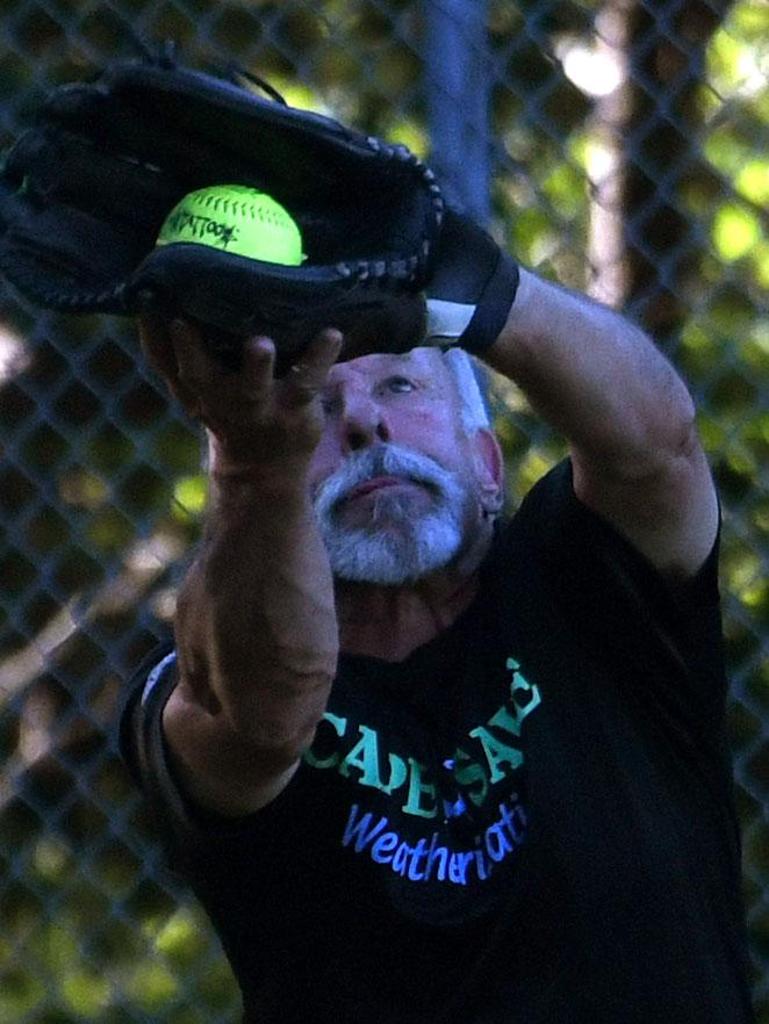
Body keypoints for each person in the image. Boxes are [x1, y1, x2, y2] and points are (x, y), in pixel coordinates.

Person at [119, 208, 755, 1023]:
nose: (361, 421)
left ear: (487, 466)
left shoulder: (584, 586)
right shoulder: (215, 658)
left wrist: (482, 288)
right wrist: (254, 465)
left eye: (398, 385)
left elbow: (658, 447)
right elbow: (262, 720)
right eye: (314, 406)